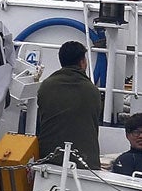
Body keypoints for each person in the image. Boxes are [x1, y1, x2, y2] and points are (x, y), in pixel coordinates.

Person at [36, 40, 103, 169]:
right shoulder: (92, 91)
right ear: (83, 62)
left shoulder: (46, 86)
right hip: (85, 162)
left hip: (48, 158)